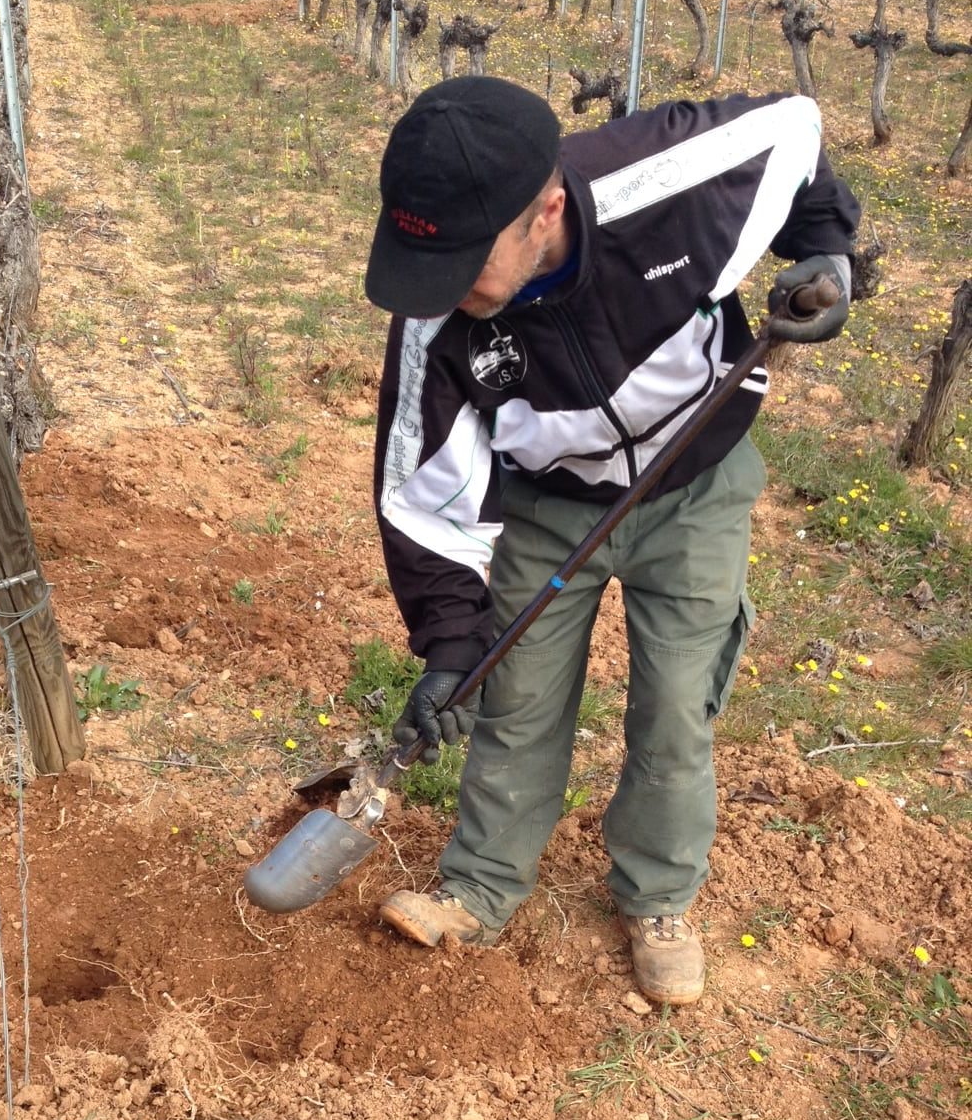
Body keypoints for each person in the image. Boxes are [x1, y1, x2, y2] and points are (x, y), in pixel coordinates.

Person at [364, 78, 859, 1005]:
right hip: (551, 508)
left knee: (676, 705)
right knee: (513, 700)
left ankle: (658, 896)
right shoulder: (437, 315)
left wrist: (827, 247)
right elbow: (421, 494)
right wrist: (447, 644)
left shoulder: (668, 178)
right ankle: (479, 884)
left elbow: (793, 132)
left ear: (544, 211)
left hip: (692, 486)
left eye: (470, 261)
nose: (443, 293)